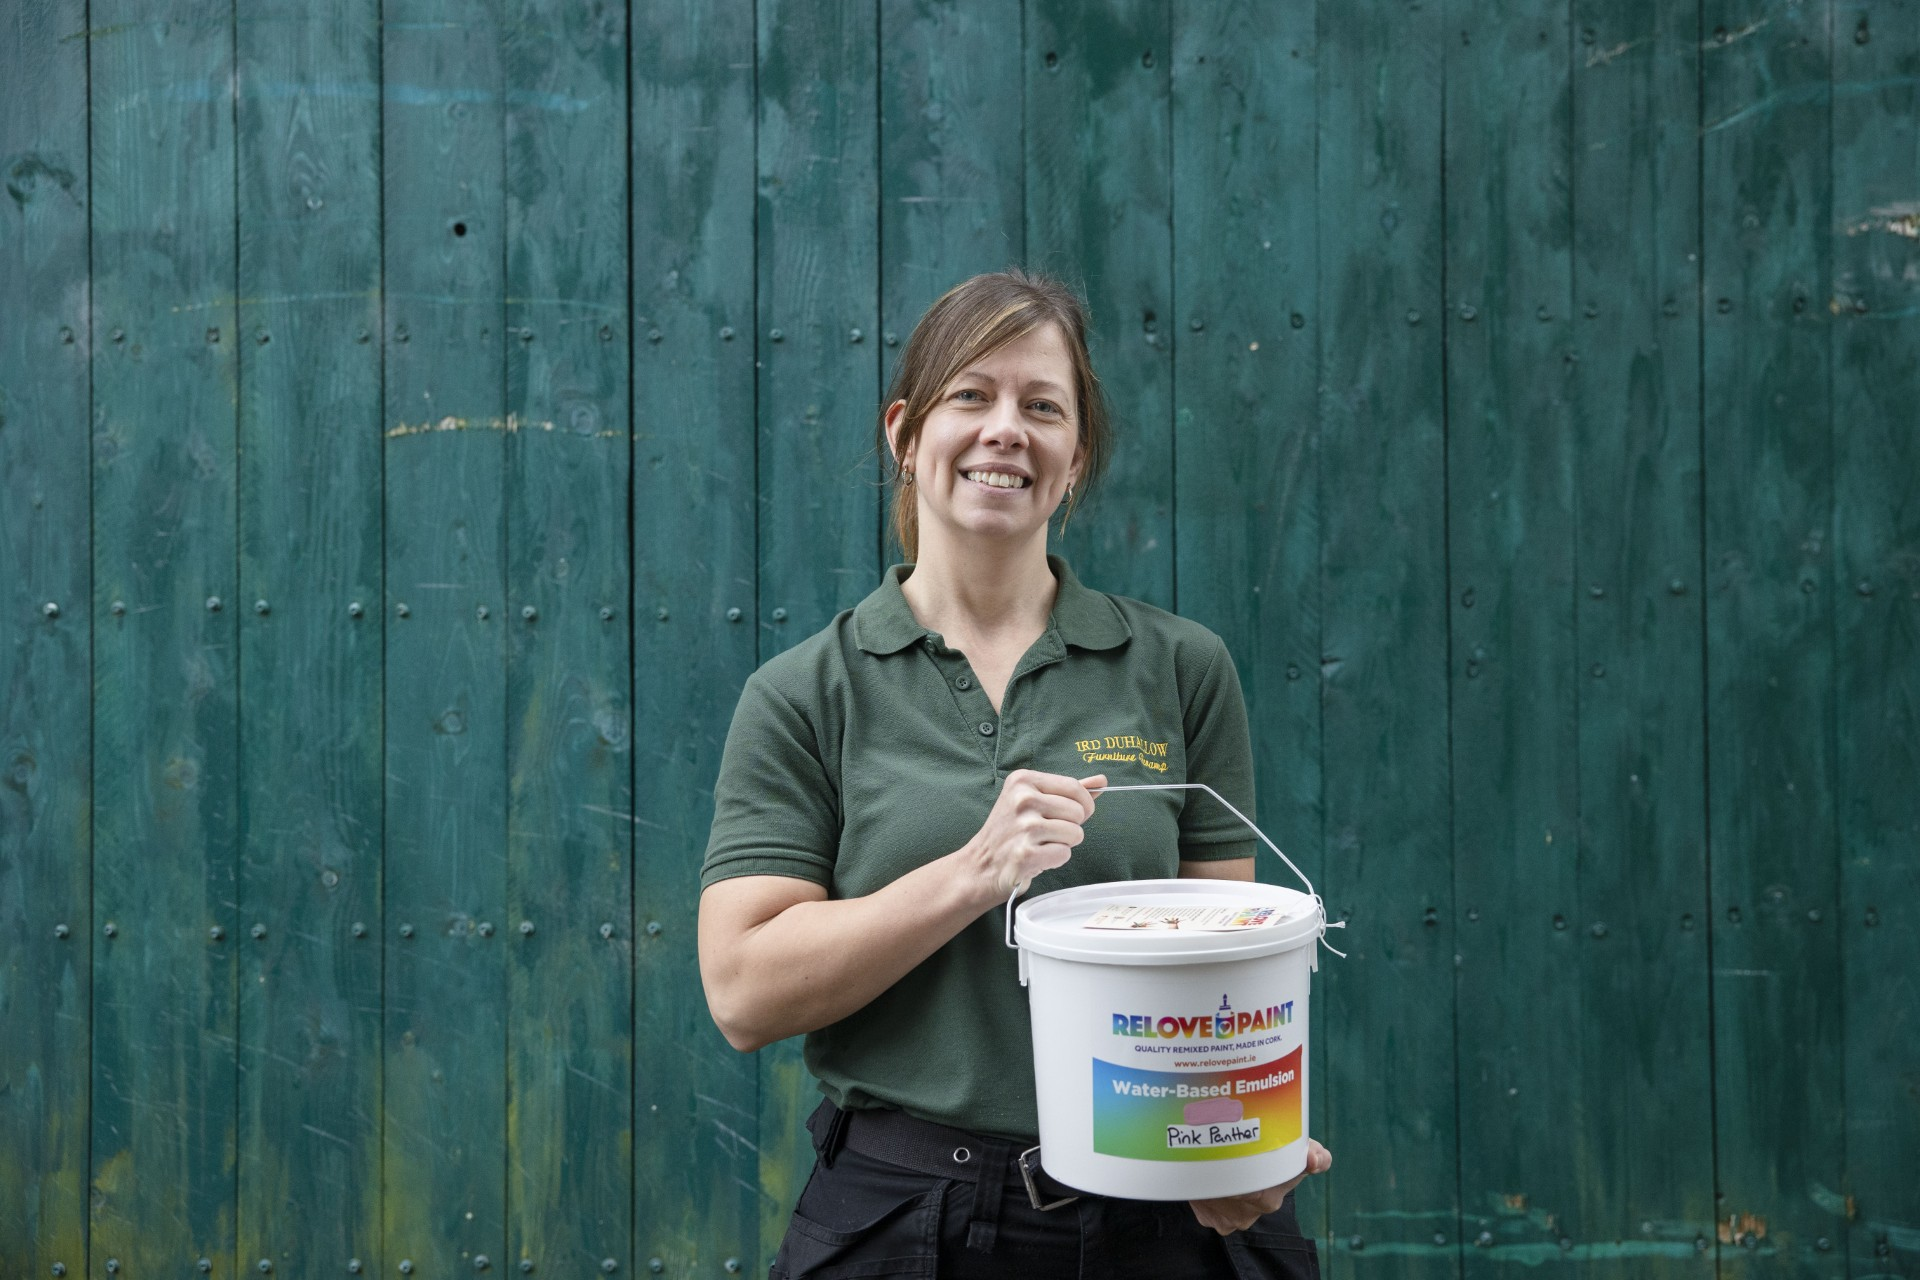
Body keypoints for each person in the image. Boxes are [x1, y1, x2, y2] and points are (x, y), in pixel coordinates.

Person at [698, 269, 1330, 1278]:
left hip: (1158, 1207)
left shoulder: (1179, 667)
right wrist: (974, 872)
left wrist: (1231, 1144)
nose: (1006, 430)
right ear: (906, 435)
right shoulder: (806, 691)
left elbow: (1224, 969)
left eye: (1042, 407)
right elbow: (742, 992)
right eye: (971, 395)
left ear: (1076, 458)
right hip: (907, 1218)